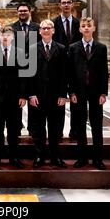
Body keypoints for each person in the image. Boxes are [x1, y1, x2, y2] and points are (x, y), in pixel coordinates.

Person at [0, 26, 27, 169]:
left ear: (13, 37)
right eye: (2, 35)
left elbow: (23, 77)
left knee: (13, 129)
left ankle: (14, 157)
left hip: (14, 98)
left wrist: (23, 95)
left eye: (8, 35)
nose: (5, 37)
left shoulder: (20, 53)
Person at [68, 17, 108, 170]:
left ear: (94, 28)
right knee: (80, 125)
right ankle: (82, 157)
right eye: (83, 26)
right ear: (79, 29)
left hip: (96, 91)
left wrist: (103, 93)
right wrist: (71, 91)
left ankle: (98, 158)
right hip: (79, 91)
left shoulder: (101, 47)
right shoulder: (73, 48)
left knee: (97, 125)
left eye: (88, 25)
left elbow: (104, 71)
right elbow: (70, 72)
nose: (86, 28)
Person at [28, 19, 67, 168]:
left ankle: (55, 156)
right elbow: (29, 73)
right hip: (37, 95)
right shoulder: (32, 49)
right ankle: (39, 156)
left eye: (49, 28)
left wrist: (63, 95)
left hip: (56, 96)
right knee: (38, 128)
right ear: (39, 31)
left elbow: (65, 74)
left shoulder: (62, 49)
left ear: (53, 30)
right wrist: (31, 94)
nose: (46, 30)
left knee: (55, 128)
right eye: (43, 28)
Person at [52, 0, 82, 140]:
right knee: (60, 98)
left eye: (68, 2)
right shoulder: (54, 23)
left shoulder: (78, 23)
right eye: (63, 3)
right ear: (59, 5)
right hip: (59, 66)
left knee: (76, 98)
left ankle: (75, 130)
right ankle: (57, 131)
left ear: (72, 5)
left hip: (76, 66)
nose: (66, 5)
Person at [11, 3, 40, 136]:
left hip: (35, 67)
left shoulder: (37, 27)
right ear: (17, 12)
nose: (22, 13)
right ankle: (16, 126)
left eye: (25, 11)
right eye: (20, 11)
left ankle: (33, 128)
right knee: (18, 97)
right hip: (18, 68)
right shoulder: (12, 28)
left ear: (30, 11)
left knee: (34, 96)